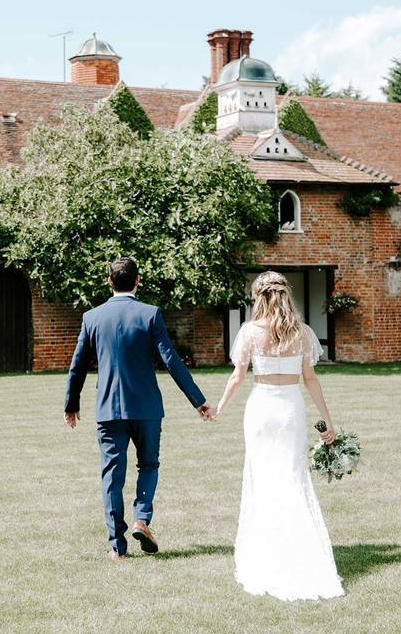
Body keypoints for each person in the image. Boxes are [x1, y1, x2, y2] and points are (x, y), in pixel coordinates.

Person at [64, 257, 214, 560]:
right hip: (146, 407)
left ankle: (117, 547)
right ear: (138, 281)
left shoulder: (92, 317)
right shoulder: (150, 314)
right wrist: (198, 400)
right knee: (149, 465)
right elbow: (171, 360)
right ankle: (141, 518)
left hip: (108, 410)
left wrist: (72, 404)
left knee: (112, 476)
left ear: (109, 282)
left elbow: (77, 365)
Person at [215, 271, 345, 600]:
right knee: (291, 477)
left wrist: (218, 408)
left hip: (260, 410)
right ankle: (297, 552)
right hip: (290, 410)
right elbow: (311, 380)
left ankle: (267, 554)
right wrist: (327, 420)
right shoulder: (302, 333)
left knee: (263, 479)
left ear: (259, 297)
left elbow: (237, 377)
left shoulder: (249, 332)